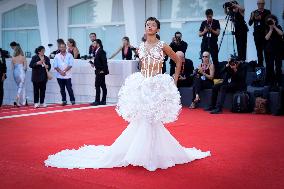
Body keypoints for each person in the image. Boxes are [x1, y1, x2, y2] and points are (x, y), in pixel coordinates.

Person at [45, 17, 210, 171]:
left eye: (152, 25)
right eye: (147, 25)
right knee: (144, 118)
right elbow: (142, 63)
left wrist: (174, 79)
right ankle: (144, 154)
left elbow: (178, 60)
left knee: (151, 118)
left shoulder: (163, 45)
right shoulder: (141, 46)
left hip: (156, 84)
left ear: (158, 29)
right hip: (142, 84)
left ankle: (148, 154)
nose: (149, 27)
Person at [248, 0, 271, 67]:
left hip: (265, 35)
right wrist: (252, 17)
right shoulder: (254, 12)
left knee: (266, 52)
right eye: (259, 4)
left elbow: (269, 22)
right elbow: (250, 23)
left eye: (262, 4)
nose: (261, 5)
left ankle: (268, 68)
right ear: (257, 4)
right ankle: (260, 67)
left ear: (264, 4)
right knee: (259, 52)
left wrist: (261, 18)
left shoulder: (267, 12)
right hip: (257, 35)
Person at [264, 15, 283, 87]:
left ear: (275, 20)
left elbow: (281, 33)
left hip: (278, 49)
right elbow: (266, 38)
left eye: (272, 20)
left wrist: (274, 26)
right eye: (269, 21)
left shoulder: (278, 27)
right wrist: (271, 29)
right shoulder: (266, 28)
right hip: (269, 50)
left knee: (278, 66)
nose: (270, 22)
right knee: (270, 66)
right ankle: (271, 82)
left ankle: (279, 82)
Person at [90, 39, 109, 106]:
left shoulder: (101, 51)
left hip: (101, 71)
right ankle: (103, 101)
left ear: (98, 44)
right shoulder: (97, 51)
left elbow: (104, 61)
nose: (93, 45)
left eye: (94, 43)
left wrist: (103, 70)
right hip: (98, 70)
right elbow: (99, 62)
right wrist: (93, 64)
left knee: (98, 85)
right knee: (102, 85)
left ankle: (97, 101)